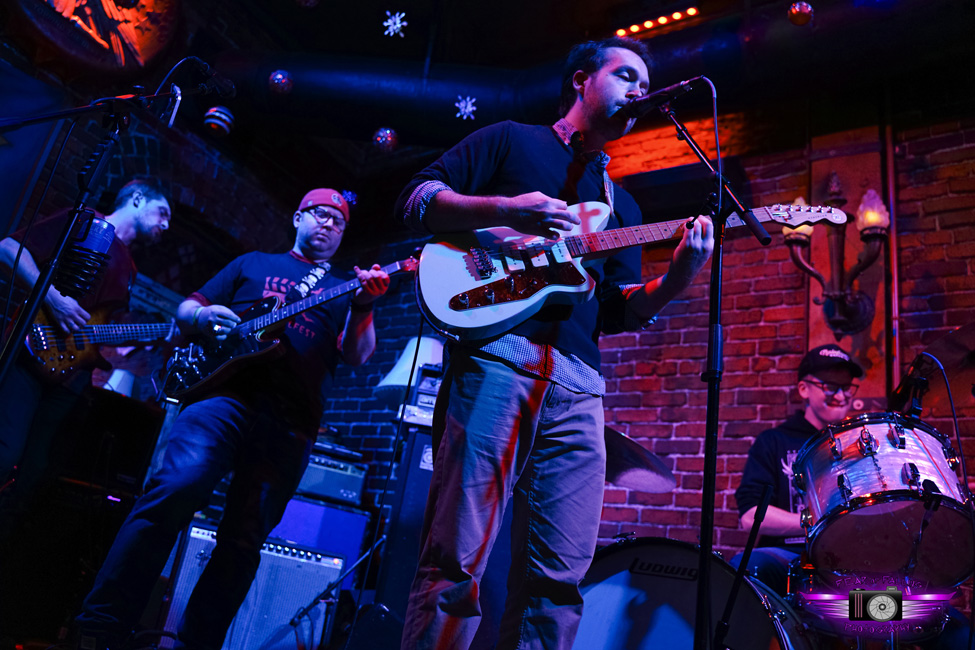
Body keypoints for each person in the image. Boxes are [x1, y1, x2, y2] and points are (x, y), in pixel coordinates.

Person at [394, 37, 714, 650]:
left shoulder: (624, 204)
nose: (638, 93)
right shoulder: (511, 138)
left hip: (579, 386)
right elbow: (417, 199)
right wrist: (507, 210)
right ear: (580, 80)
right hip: (498, 359)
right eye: (625, 76)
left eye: (645, 85)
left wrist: (678, 278)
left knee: (560, 583)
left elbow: (618, 309)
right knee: (456, 564)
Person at [74, 188, 390, 650]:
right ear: (299, 218)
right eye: (321, 215)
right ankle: (100, 628)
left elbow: (359, 355)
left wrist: (364, 305)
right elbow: (185, 310)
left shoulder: (343, 287)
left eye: (339, 222)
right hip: (220, 397)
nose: (329, 225)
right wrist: (202, 316)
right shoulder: (253, 264)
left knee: (244, 541)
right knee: (173, 492)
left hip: (291, 420)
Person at [0, 177, 172, 509]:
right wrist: (53, 298)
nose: (166, 225)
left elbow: (97, 327)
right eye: (162, 212)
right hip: (30, 354)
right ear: (136, 199)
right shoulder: (84, 221)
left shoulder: (130, 270)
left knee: (35, 475)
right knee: (4, 454)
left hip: (69, 379)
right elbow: (8, 248)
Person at [733, 343, 863, 596]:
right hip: (790, 557)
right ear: (804, 389)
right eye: (829, 386)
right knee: (746, 567)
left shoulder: (860, 445)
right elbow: (750, 517)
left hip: (851, 562)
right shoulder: (774, 441)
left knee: (921, 613)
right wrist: (822, 522)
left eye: (846, 387)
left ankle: (872, 627)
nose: (841, 395)